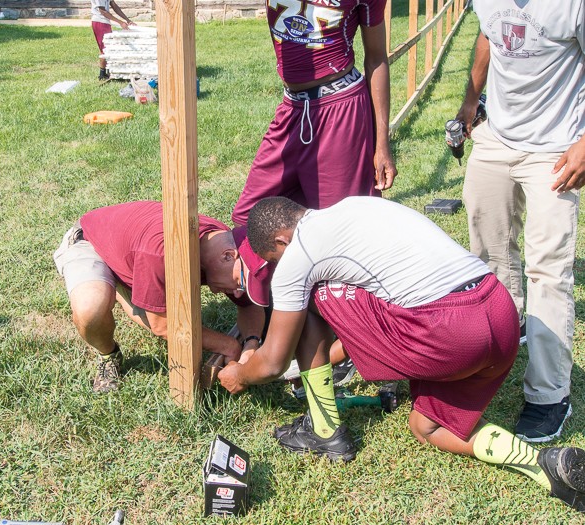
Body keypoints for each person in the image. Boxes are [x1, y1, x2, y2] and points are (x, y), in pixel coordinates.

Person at [218, 196, 585, 513]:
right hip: (498, 313)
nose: (279, 267)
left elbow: (273, 362)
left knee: (308, 298)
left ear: (282, 240)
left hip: (448, 332)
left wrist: (238, 375)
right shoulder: (355, 208)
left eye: (275, 258)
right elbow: (368, 318)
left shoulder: (300, 254)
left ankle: (324, 429)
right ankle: (544, 464)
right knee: (426, 428)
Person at [455, 1, 585, 442]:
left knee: (548, 270)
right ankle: (497, 351)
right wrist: (471, 102)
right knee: (487, 255)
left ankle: (550, 396)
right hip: (496, 138)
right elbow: (489, 36)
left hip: (557, 148)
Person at [53, 201, 268, 392]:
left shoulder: (222, 243)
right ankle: (108, 354)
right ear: (228, 256)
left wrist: (250, 345)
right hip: (91, 242)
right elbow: (162, 325)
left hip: (134, 251)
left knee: (144, 293)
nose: (239, 292)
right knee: (90, 308)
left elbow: (249, 305)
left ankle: (127, 280)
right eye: (241, 283)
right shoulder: (161, 252)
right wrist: (227, 346)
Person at [230, 0, 397, 227]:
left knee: (341, 226)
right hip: (292, 108)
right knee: (249, 217)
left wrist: (381, 145)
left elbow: (377, 59)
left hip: (340, 108)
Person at [90, 0, 135, 81]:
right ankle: (102, 74)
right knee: (105, 48)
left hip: (106, 22)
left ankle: (109, 71)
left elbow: (114, 6)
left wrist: (128, 20)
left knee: (109, 47)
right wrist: (120, 22)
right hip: (99, 21)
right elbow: (103, 11)